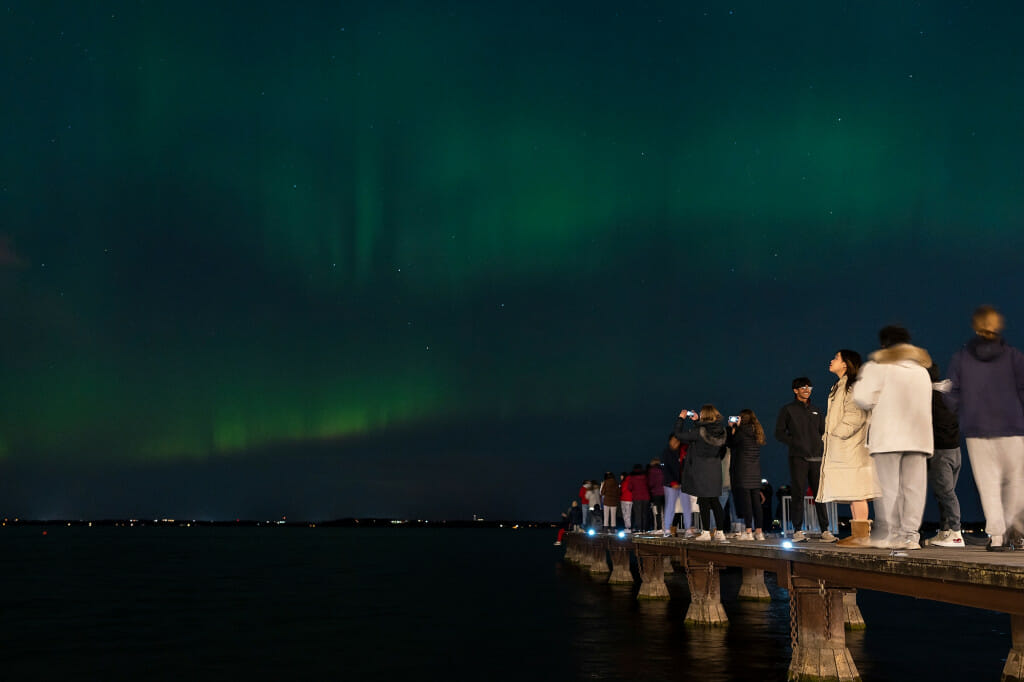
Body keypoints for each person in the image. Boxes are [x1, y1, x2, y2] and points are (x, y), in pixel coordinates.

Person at [944, 305, 1024, 552]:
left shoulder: (962, 357)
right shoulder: (1013, 356)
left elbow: (951, 394)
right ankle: (1014, 529)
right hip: (1012, 427)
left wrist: (964, 412)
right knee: (1016, 482)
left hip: (977, 430)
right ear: (998, 325)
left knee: (988, 485)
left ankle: (997, 537)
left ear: (975, 326)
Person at [853, 325, 933, 550]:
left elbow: (862, 398)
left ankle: (891, 534)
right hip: (919, 437)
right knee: (914, 488)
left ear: (883, 344)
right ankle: (911, 536)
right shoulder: (921, 371)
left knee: (889, 489)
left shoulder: (877, 367)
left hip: (888, 436)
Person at [816, 350, 881, 547]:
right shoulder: (841, 385)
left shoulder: (852, 386)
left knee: (857, 491)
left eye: (836, 357)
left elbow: (856, 414)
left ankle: (862, 536)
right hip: (845, 447)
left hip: (851, 447)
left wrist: (836, 434)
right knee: (853, 492)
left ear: (845, 364)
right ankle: (858, 534)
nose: (832, 360)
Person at [775, 377, 828, 540]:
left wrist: (821, 447)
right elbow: (779, 433)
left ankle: (825, 530)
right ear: (795, 390)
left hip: (817, 458)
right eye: (803, 387)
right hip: (798, 457)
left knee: (820, 494)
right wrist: (795, 443)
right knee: (798, 493)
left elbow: (823, 432)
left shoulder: (816, 410)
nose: (807, 389)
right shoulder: (788, 409)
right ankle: (797, 530)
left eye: (809, 387)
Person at [924, 362, 965, 548]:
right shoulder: (949, 394)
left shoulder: (929, 397)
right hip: (955, 450)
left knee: (946, 494)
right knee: (944, 493)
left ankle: (956, 534)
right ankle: (945, 532)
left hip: (941, 452)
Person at [674, 405, 729, 542]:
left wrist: (681, 419)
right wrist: (697, 421)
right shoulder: (722, 431)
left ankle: (705, 532)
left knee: (704, 501)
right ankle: (720, 532)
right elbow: (708, 433)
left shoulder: (699, 431)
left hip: (701, 469)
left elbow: (679, 435)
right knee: (715, 501)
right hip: (715, 469)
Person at [727, 409, 767, 541]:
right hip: (755, 472)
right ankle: (759, 532)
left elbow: (730, 444)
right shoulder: (757, 432)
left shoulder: (741, 432)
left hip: (743, 472)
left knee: (747, 503)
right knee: (756, 503)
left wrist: (732, 428)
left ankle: (749, 532)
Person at [661, 436, 684, 537]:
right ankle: (671, 529)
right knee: (677, 509)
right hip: (674, 485)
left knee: (677, 509)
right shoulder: (670, 455)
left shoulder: (681, 453)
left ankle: (671, 529)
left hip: (678, 485)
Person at [628, 464, 651, 532]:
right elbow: (649, 485)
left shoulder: (632, 477)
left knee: (638, 514)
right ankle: (644, 528)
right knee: (645, 513)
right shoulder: (645, 476)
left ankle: (639, 528)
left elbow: (630, 487)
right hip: (646, 496)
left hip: (637, 497)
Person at [647, 459, 665, 532]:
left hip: (656, 493)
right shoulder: (663, 470)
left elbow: (651, 483)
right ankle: (665, 527)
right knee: (665, 511)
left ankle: (659, 528)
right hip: (665, 493)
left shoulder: (652, 471)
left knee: (658, 512)